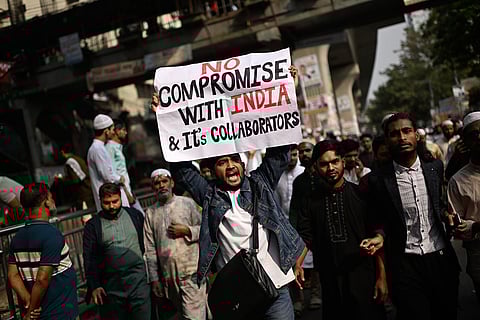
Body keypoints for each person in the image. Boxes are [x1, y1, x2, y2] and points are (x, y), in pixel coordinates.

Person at [170, 145, 305, 319]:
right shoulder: (209, 194)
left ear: (242, 164)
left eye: (235, 160)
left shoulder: (259, 184)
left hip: (276, 286)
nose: (231, 166)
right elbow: (181, 170)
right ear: (212, 170)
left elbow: (279, 155)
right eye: (222, 162)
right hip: (239, 294)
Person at [367, 112, 460, 320]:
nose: (402, 138)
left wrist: (448, 216)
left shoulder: (434, 168)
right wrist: (380, 236)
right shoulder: (378, 180)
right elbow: (379, 221)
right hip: (405, 264)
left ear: (416, 136)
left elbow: (440, 205)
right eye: (394, 134)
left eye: (407, 131)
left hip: (440, 258)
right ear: (387, 140)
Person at [296, 140, 387, 320]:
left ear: (342, 162)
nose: (330, 168)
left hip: (364, 278)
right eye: (324, 164)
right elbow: (306, 237)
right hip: (331, 281)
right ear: (316, 167)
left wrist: (382, 277)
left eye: (334, 161)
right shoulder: (310, 201)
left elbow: (377, 237)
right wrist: (297, 263)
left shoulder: (361, 194)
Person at [8, 183, 78, 320]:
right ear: (46, 201)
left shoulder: (17, 238)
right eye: (51, 197)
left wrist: (28, 301)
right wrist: (32, 310)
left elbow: (12, 275)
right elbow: (42, 279)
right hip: (60, 312)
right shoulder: (52, 235)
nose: (53, 201)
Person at [144, 169, 206, 319]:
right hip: (169, 278)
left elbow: (205, 231)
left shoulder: (187, 204)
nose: (161, 185)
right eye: (157, 183)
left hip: (191, 272)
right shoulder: (151, 213)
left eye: (164, 181)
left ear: (171, 183)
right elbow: (150, 249)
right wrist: (154, 279)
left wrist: (186, 230)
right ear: (153, 188)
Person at [83, 183, 151, 320]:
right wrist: (94, 285)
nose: (112, 206)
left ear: (120, 198)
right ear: (100, 201)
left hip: (138, 282)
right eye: (107, 203)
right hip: (111, 288)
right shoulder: (93, 225)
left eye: (115, 201)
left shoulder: (135, 215)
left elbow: (148, 244)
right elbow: (89, 257)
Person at [447, 111, 480, 304]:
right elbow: (459, 228)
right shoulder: (457, 181)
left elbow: (470, 227)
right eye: (474, 135)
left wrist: (474, 225)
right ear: (465, 141)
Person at [87, 114, 129, 211]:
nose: (113, 133)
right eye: (112, 130)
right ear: (106, 132)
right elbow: (108, 176)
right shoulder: (97, 149)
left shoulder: (99, 147)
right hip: (109, 199)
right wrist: (120, 179)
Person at [106, 119, 145, 215]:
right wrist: (126, 193)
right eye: (123, 130)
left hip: (127, 190)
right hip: (122, 192)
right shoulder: (110, 148)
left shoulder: (118, 147)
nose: (126, 133)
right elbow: (113, 174)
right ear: (117, 131)